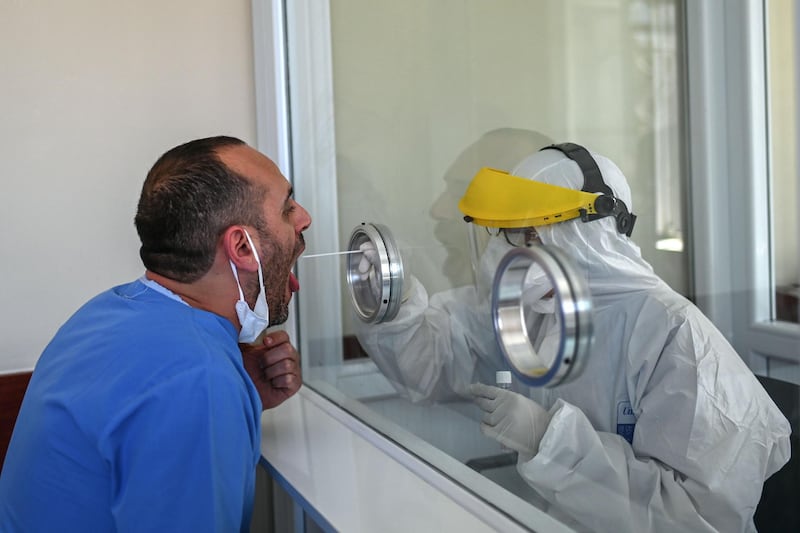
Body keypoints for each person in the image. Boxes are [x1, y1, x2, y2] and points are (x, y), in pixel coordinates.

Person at [355, 142, 791, 532]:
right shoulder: (535, 309)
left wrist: (550, 439)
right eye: (499, 233)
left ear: (584, 236)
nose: (498, 255)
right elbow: (432, 364)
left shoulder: (679, 340)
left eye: (523, 234)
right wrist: (395, 303)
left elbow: (695, 520)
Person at [0, 136, 311, 532]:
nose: (304, 217)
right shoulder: (199, 379)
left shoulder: (105, 312)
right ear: (242, 247)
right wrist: (216, 389)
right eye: (287, 208)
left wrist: (242, 390)